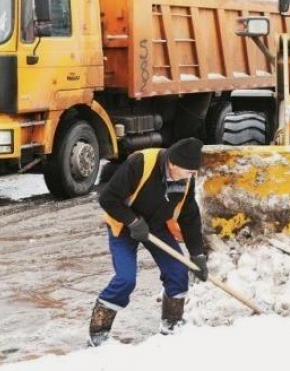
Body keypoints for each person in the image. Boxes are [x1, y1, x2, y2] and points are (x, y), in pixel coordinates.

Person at [88, 137, 208, 346]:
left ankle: (172, 324)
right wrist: (133, 221)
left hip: (157, 226)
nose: (192, 176)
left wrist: (197, 254)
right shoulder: (141, 163)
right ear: (172, 164)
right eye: (188, 171)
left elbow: (189, 217)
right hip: (123, 225)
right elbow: (107, 199)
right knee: (126, 279)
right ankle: (99, 331)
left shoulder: (186, 177)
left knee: (178, 272)